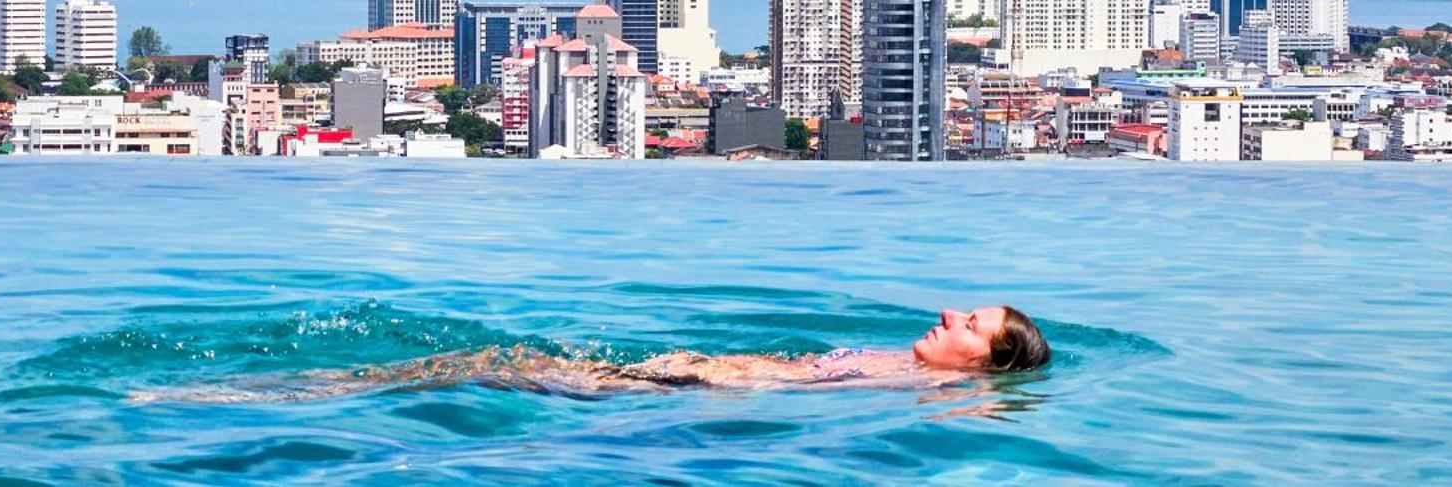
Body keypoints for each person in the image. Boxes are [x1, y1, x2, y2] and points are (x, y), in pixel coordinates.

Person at [135, 305, 1049, 404]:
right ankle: (262, 394)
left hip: (669, 388)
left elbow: (779, 392)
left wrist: (711, 382)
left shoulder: (908, 385)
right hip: (669, 377)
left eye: (969, 321)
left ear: (983, 369)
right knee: (474, 363)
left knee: (473, 367)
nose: (945, 312)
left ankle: (238, 399)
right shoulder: (901, 367)